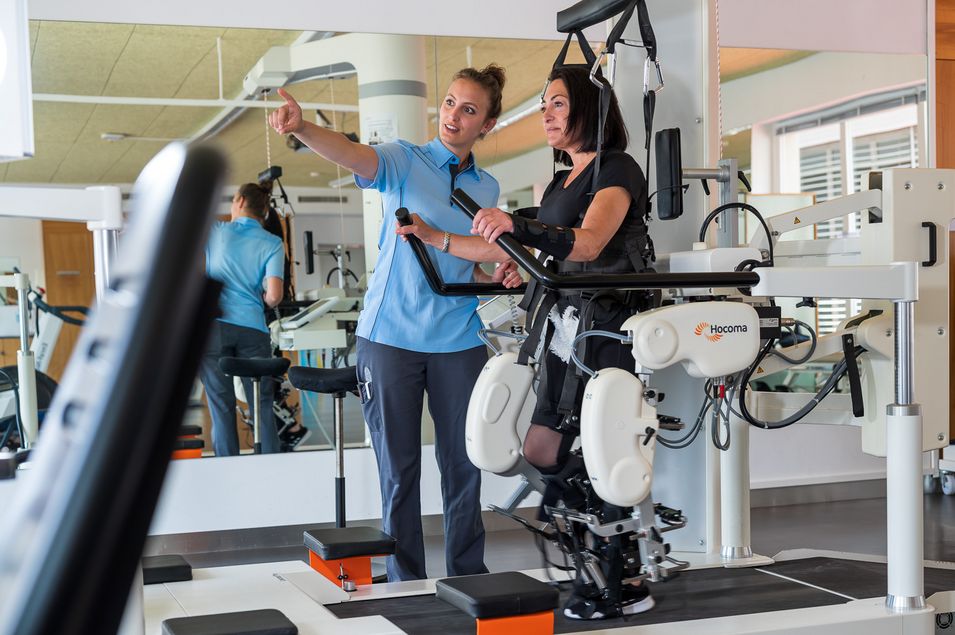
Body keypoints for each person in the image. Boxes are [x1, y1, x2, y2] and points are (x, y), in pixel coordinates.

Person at [399, 65, 655, 620]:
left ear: (591, 109)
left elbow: (586, 246)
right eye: (544, 105)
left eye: (558, 104)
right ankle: (598, 554)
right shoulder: (565, 178)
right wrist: (437, 237)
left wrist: (522, 231)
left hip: (606, 326)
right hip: (565, 328)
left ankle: (620, 574)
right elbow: (511, 247)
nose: (547, 114)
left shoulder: (617, 169)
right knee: (541, 448)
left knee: (602, 449)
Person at [269, 65, 512, 582]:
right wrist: (302, 128)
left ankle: (469, 573)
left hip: (459, 339)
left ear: (486, 125)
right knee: (399, 471)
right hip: (392, 338)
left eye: (469, 110)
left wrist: (501, 267)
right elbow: (355, 155)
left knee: (465, 466)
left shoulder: (486, 185)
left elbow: (473, 257)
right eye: (450, 103)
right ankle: (407, 581)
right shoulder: (405, 160)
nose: (454, 115)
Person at [199, 183, 285, 457]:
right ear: (265, 211)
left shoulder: (216, 232)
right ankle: (272, 468)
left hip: (214, 328)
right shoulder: (273, 242)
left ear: (239, 201)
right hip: (252, 328)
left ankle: (228, 467)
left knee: (221, 405)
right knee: (261, 403)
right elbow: (274, 296)